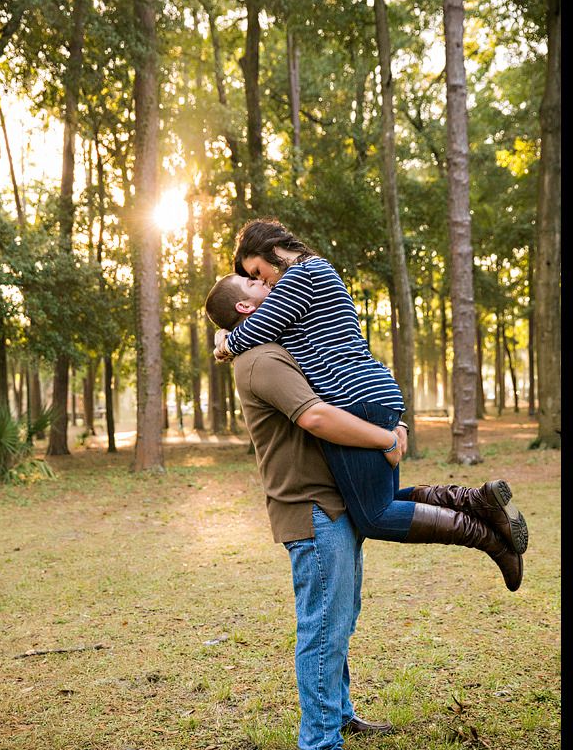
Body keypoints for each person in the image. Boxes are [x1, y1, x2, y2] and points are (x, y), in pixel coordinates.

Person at [204, 273, 526, 750]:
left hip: (336, 498)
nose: (269, 281)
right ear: (245, 306)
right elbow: (316, 418)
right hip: (310, 507)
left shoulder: (273, 342)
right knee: (324, 627)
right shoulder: (262, 361)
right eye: (254, 280)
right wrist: (385, 438)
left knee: (342, 617)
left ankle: (339, 715)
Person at [211, 219, 528, 592]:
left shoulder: (300, 276)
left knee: (376, 517)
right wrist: (398, 417)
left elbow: (253, 330)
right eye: (252, 279)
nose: (262, 280)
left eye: (256, 271)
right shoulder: (314, 276)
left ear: (268, 251)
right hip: (371, 395)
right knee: (385, 500)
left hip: (353, 401)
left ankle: (487, 538)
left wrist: (224, 342)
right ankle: (477, 500)